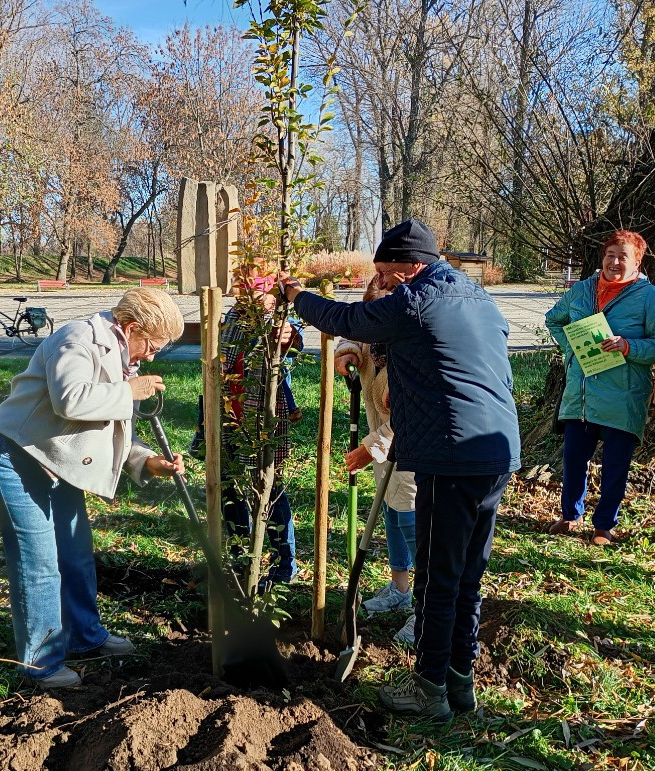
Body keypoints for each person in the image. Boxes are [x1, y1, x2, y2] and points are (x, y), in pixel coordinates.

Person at [279, 218, 521, 721]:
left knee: (436, 577)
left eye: (388, 273)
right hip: (495, 451)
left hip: (451, 456)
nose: (384, 282)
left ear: (412, 267)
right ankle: (460, 682)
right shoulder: (476, 297)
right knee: (467, 575)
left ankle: (430, 689)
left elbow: (349, 321)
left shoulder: (417, 298)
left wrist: (297, 295)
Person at [0, 288, 186, 689]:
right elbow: (70, 402)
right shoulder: (77, 339)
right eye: (152, 346)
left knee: (75, 556)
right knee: (39, 564)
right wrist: (129, 392)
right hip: (16, 457)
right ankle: (43, 664)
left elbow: (110, 427)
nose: (152, 357)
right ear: (131, 328)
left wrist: (145, 461)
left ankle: (85, 636)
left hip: (58, 461)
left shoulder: (122, 354)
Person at [545, 231, 655, 545]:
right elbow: (554, 320)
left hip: (624, 394)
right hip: (582, 393)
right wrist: (572, 348)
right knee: (574, 460)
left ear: (637, 262)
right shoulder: (581, 290)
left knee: (615, 465)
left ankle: (604, 525)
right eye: (610, 255)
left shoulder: (648, 296)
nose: (615, 262)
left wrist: (628, 346)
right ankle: (570, 516)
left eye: (623, 257)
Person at [333, 279, 418, 625]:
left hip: (415, 453)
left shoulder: (412, 353)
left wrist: (370, 449)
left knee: (414, 523)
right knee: (393, 516)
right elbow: (351, 328)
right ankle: (400, 590)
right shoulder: (375, 341)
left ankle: (430, 610)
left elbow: (411, 415)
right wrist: (348, 349)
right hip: (386, 453)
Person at [221, 271, 303, 590]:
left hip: (263, 425)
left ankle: (285, 563)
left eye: (254, 293)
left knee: (269, 489)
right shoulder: (233, 317)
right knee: (231, 487)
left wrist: (288, 336)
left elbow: (292, 343)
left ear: (272, 297)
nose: (246, 299)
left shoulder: (277, 322)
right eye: (242, 293)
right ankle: (242, 555)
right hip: (230, 418)